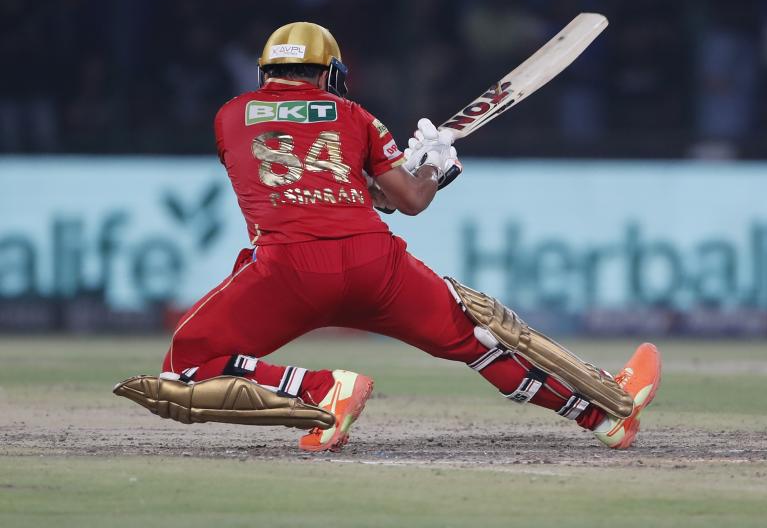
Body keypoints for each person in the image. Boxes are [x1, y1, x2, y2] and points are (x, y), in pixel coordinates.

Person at [115, 22, 661, 452]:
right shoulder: (355, 117)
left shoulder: (230, 116)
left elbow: (312, 183)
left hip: (286, 271)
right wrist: (434, 169)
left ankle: (321, 393)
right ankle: (603, 412)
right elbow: (409, 202)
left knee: (187, 363)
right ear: (330, 73)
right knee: (480, 339)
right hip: (374, 265)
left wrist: (390, 177)